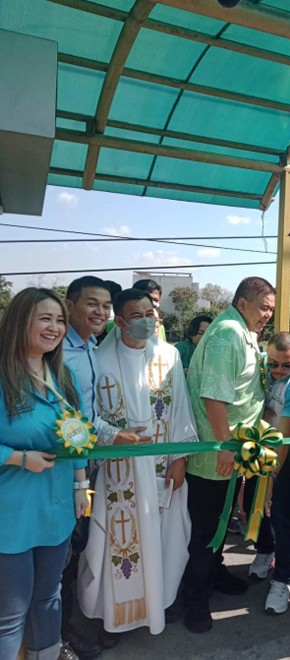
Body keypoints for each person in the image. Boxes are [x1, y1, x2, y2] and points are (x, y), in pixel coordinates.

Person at [78, 289, 197, 636]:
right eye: (137, 315)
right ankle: (115, 617)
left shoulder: (169, 355)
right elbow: (88, 416)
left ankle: (158, 603)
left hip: (161, 467)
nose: (147, 321)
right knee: (119, 545)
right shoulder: (98, 360)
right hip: (118, 474)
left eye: (151, 313)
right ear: (119, 321)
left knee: (164, 537)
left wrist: (179, 458)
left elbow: (180, 410)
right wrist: (111, 438)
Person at [182, 276, 276, 633]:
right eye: (263, 307)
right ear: (242, 304)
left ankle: (215, 576)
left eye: (271, 308)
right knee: (207, 530)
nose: (268, 314)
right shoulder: (227, 335)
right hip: (216, 455)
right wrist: (223, 445)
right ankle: (195, 600)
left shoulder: (242, 330)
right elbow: (214, 396)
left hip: (235, 451)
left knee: (220, 528)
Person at [62, 276, 150, 658]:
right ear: (70, 305)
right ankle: (58, 638)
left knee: (70, 552)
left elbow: (85, 414)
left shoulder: (88, 347)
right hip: (64, 469)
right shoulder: (61, 353)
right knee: (62, 557)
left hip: (84, 464)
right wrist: (113, 437)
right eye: (91, 304)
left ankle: (60, 632)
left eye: (104, 305)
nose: (99, 312)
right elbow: (70, 420)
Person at [0, 288, 89, 660]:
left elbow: (79, 435)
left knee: (48, 596)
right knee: (11, 612)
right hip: (13, 513)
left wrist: (82, 485)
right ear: (21, 321)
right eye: (44, 318)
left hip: (57, 510)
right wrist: (19, 459)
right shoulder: (4, 375)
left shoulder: (63, 376)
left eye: (59, 320)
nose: (54, 328)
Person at [262, 332, 290, 615]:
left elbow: (286, 438)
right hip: (267, 453)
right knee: (271, 516)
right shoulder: (268, 376)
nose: (278, 370)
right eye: (273, 363)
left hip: (287, 461)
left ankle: (284, 578)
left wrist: (272, 479)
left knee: (284, 517)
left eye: (286, 365)